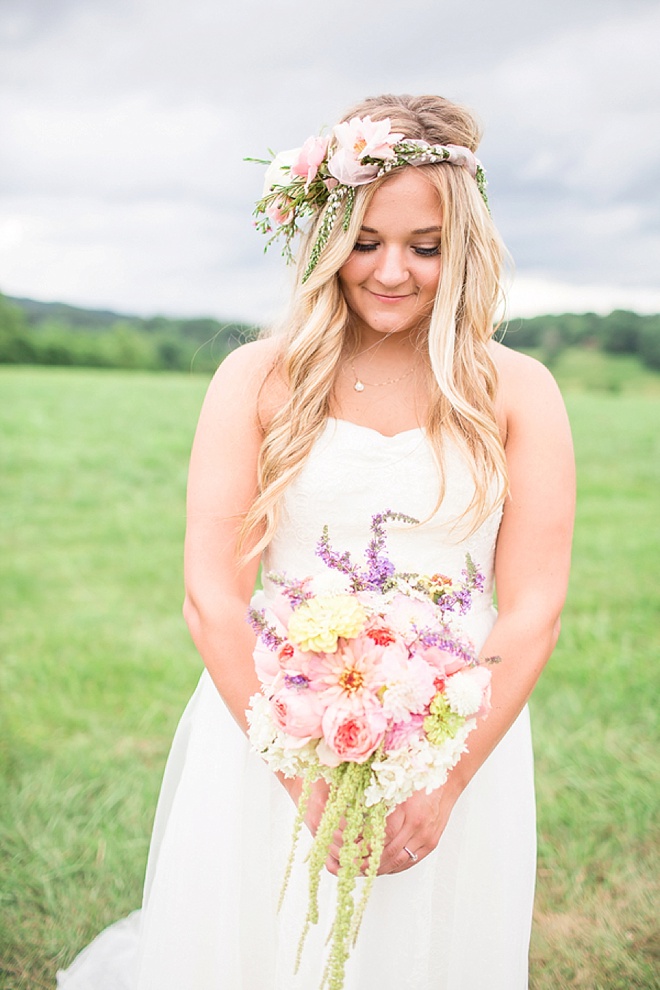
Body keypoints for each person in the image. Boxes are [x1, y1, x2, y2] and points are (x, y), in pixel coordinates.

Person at [57, 93, 575, 990]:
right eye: (367, 240)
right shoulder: (259, 378)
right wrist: (299, 775)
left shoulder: (519, 391)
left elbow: (533, 605)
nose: (392, 271)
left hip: (458, 735)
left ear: (465, 249)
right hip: (274, 725)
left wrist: (444, 779)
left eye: (426, 245)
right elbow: (212, 595)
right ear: (326, 235)